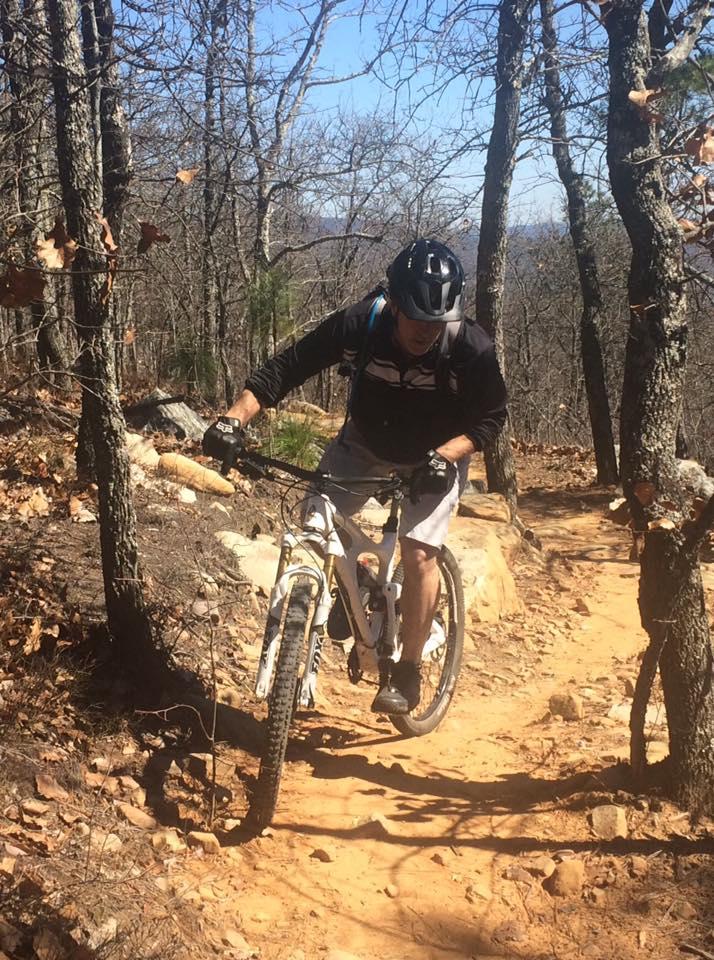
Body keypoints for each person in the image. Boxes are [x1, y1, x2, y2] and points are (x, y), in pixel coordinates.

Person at [203, 239, 507, 715]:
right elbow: (287, 367)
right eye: (415, 317)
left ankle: (406, 672)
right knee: (315, 522)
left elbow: (491, 418)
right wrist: (233, 420)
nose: (426, 331)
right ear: (396, 304)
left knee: (419, 551)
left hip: (435, 455)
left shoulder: (469, 346)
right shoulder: (360, 323)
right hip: (365, 442)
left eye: (436, 321)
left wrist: (447, 456)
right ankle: (355, 590)